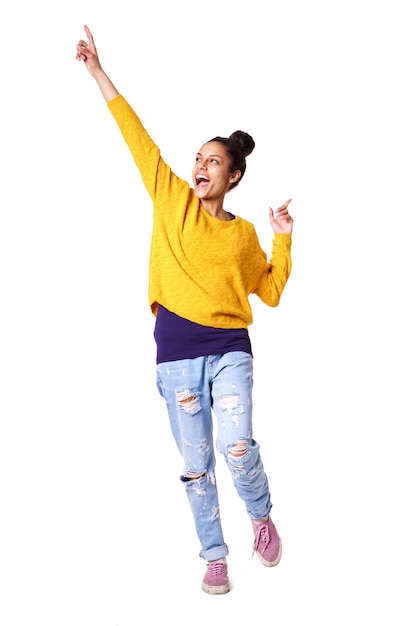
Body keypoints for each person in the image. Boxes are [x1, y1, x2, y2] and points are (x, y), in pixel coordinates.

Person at [76, 25, 294, 595]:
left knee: (237, 444)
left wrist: (282, 239)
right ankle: (215, 556)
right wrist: (98, 70)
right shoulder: (171, 197)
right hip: (175, 357)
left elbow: (268, 292)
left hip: (228, 352)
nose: (199, 165)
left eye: (212, 161)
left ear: (233, 175)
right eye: (196, 157)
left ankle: (261, 515)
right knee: (196, 468)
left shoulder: (243, 235)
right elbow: (136, 134)